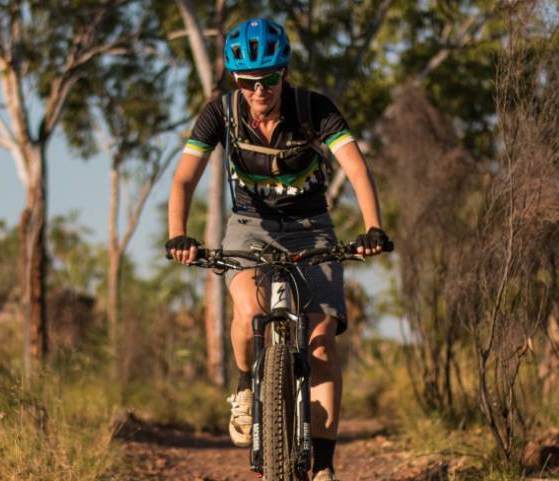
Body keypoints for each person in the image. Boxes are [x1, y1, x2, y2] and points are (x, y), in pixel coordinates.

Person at [165, 18, 389, 481]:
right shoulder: (220, 113)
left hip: (312, 229)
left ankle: (323, 466)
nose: (259, 90)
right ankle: (247, 384)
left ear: (284, 72)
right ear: (235, 79)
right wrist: (178, 235)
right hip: (250, 229)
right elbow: (184, 178)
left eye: (268, 79)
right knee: (250, 310)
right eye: (247, 81)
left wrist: (373, 228)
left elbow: (356, 167)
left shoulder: (314, 108)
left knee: (321, 343)